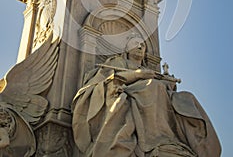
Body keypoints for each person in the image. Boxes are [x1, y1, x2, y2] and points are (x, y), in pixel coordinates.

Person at [72, 34, 221, 157]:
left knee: (186, 97)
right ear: (126, 49)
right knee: (153, 87)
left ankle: (187, 141)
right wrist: (137, 75)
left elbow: (164, 89)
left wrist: (168, 83)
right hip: (130, 91)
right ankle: (156, 141)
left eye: (142, 45)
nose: (140, 47)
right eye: (136, 44)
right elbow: (109, 79)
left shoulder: (147, 69)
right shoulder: (117, 61)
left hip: (152, 93)